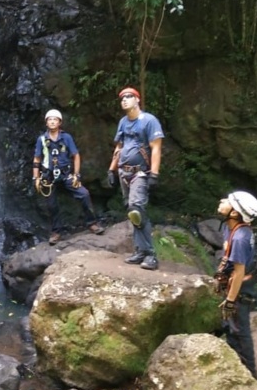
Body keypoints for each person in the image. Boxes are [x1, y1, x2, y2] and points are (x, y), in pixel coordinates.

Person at [106, 87, 164, 270]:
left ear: (137, 100)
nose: (124, 100)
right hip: (124, 172)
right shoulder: (123, 122)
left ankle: (151, 255)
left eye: (129, 97)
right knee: (133, 214)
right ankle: (140, 251)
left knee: (136, 209)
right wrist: (111, 170)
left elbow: (156, 148)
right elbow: (119, 147)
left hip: (140, 172)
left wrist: (154, 174)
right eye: (122, 98)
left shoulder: (149, 121)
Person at [32, 108, 103, 243]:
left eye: (55, 119)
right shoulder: (41, 139)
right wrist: (36, 178)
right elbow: (37, 159)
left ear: (60, 122)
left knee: (84, 194)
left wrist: (76, 175)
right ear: (46, 123)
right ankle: (56, 232)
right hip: (48, 177)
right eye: (50, 119)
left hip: (65, 174)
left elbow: (76, 156)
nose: (52, 122)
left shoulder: (66, 138)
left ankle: (92, 223)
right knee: (51, 205)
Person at [214, 191, 257, 375]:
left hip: (241, 285)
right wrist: (221, 277)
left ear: (234, 212)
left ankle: (250, 372)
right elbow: (228, 257)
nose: (222, 200)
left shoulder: (241, 237)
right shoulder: (229, 226)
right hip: (232, 279)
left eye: (228, 201)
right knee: (229, 326)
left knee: (240, 329)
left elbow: (239, 272)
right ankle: (235, 365)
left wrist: (231, 300)